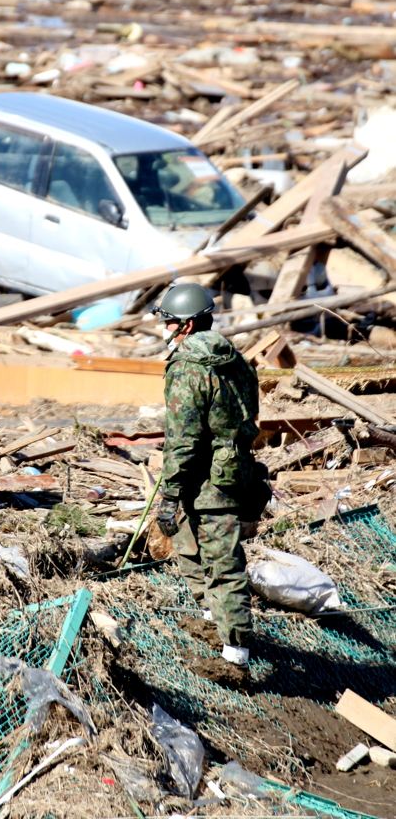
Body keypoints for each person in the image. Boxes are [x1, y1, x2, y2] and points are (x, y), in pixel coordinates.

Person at [150, 283, 269, 668]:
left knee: (223, 565)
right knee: (189, 547)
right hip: (233, 471)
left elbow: (182, 438)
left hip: (205, 481)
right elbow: (248, 417)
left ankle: (236, 657)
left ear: (185, 325)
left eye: (168, 322)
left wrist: (168, 493)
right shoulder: (235, 360)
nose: (164, 329)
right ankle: (211, 620)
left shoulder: (187, 368)